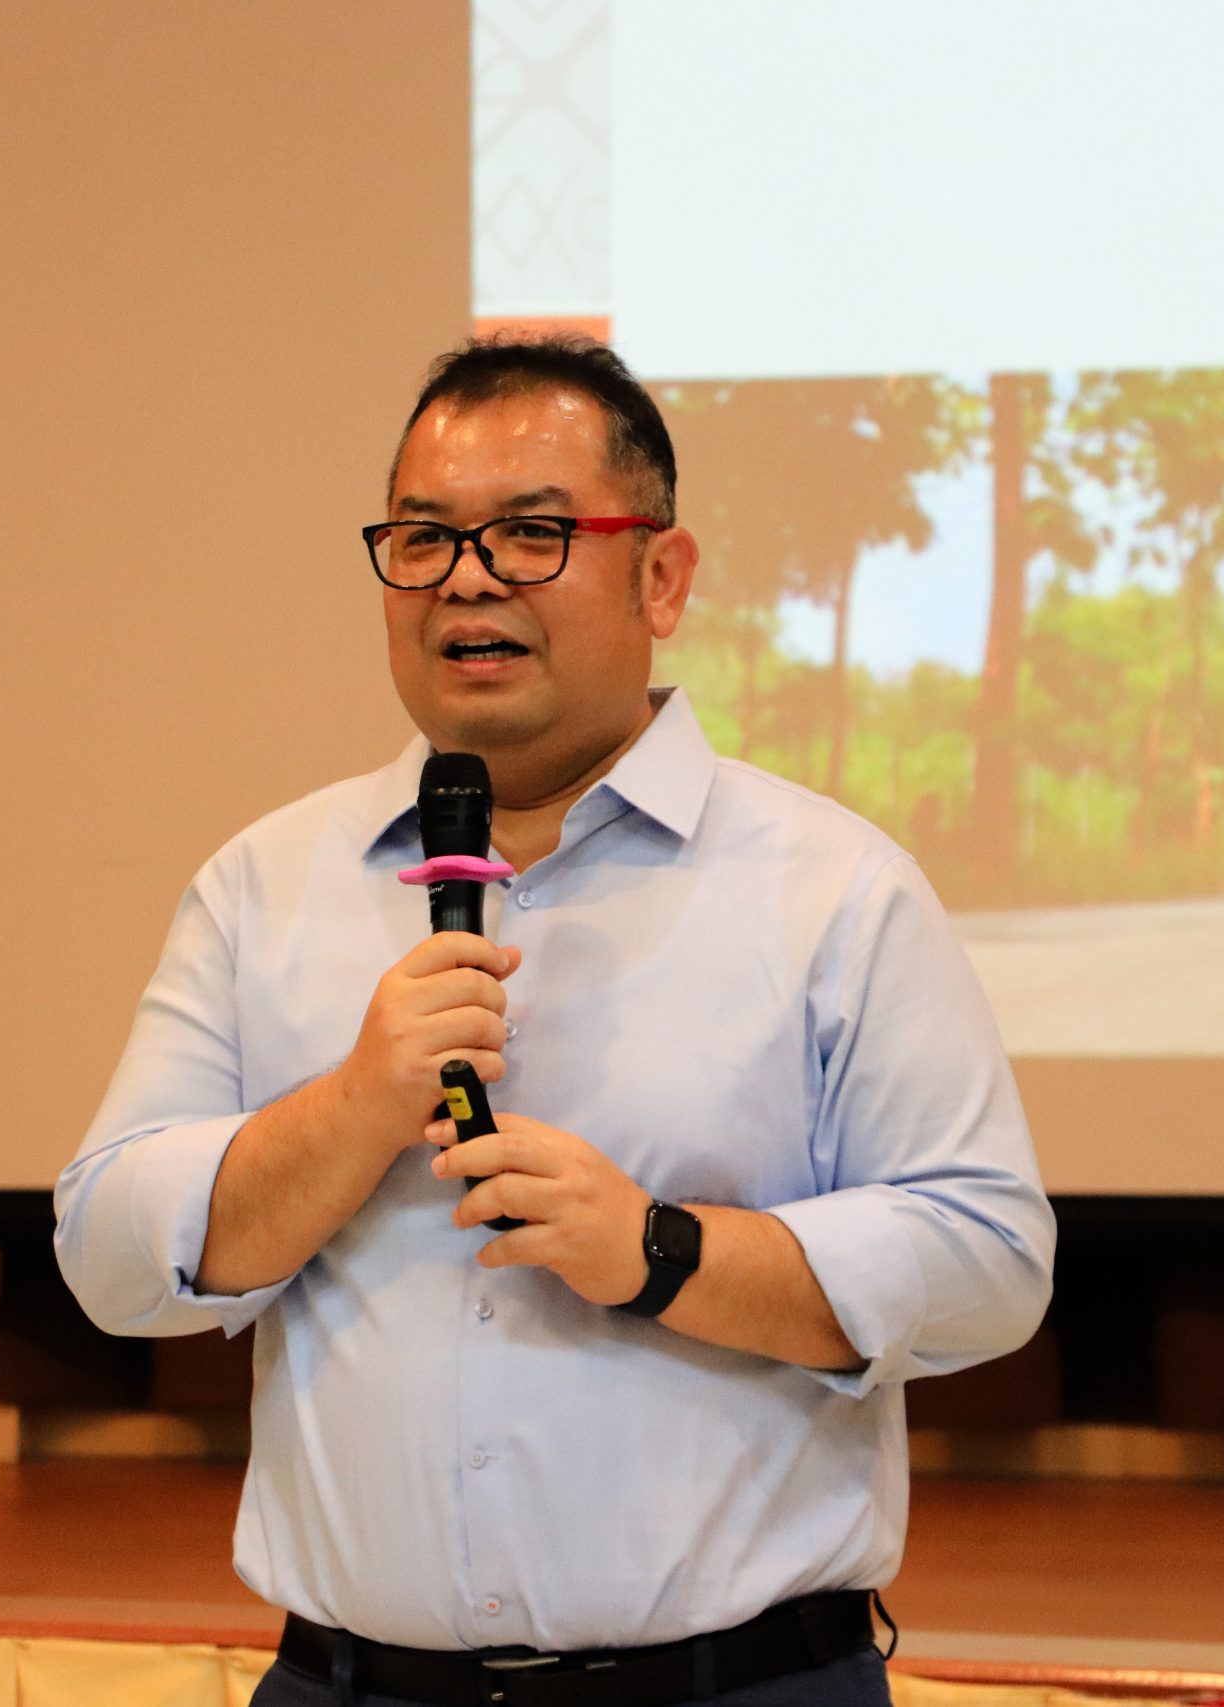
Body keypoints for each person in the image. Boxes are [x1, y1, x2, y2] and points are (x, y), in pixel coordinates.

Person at [56, 336, 1053, 1707]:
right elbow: (108, 1253)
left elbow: (990, 1262)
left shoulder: (833, 888)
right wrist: (349, 1111)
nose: (467, 579)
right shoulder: (263, 886)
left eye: (532, 534)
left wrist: (659, 1250)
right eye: (423, 538)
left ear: (663, 577)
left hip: (734, 1691)